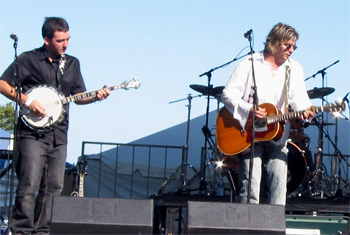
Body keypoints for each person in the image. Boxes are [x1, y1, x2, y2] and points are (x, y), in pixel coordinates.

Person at [0, 17, 110, 234]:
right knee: (28, 185)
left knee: (54, 188)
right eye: (60, 40)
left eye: (68, 39)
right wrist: (27, 101)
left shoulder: (72, 63)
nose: (65, 44)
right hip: (31, 134)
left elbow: (78, 96)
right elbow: (3, 83)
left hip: (59, 135)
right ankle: (21, 230)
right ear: (47, 39)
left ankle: (42, 231)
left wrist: (96, 97)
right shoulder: (28, 59)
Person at [221, 22, 314, 205]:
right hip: (249, 132)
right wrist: (249, 109)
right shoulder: (250, 63)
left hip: (277, 132)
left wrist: (306, 110)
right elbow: (227, 94)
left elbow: (299, 99)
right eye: (288, 45)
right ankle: (248, 226)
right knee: (250, 184)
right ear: (274, 43)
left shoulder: (294, 68)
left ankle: (275, 227)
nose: (292, 50)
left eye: (295, 46)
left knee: (280, 183)